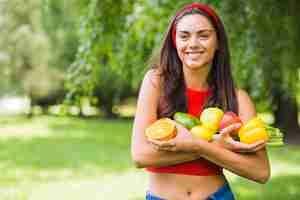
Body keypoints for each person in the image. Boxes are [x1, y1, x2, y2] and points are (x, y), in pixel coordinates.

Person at [131, 2, 270, 200]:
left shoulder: (238, 98)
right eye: (184, 36)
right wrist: (215, 146)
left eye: (203, 35)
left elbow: (261, 171)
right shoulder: (156, 82)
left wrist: (198, 146)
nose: (193, 44)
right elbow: (140, 156)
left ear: (218, 42)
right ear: (174, 42)